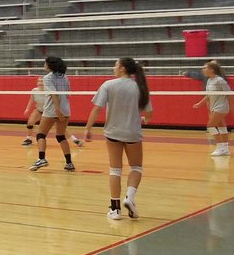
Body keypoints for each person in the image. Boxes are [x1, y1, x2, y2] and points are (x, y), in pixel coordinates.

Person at [84, 58, 152, 219]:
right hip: (132, 133)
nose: (113, 67)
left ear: (122, 68)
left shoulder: (108, 85)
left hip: (112, 133)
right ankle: (129, 197)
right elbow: (149, 115)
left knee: (115, 170)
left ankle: (115, 209)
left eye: (115, 65)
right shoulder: (140, 88)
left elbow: (96, 109)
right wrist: (143, 120)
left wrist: (88, 128)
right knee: (136, 168)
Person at [30, 56, 75, 172]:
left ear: (50, 65)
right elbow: (68, 92)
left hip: (52, 110)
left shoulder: (48, 78)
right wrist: (62, 108)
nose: (44, 65)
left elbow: (54, 94)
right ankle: (69, 163)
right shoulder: (65, 77)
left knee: (41, 135)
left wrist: (57, 109)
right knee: (61, 136)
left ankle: (42, 159)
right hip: (66, 110)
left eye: (45, 63)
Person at [194, 60, 232, 157]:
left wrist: (233, 106)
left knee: (210, 126)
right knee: (221, 127)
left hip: (221, 106)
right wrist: (200, 103)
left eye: (205, 68)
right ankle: (226, 148)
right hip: (214, 106)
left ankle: (220, 147)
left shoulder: (220, 80)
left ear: (211, 69)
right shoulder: (209, 80)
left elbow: (229, 93)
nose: (203, 70)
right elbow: (208, 95)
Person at [22, 82, 46, 147]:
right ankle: (29, 139)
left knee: (59, 127)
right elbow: (31, 100)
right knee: (30, 122)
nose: (40, 83)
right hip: (38, 110)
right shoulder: (34, 90)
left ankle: (74, 140)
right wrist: (27, 109)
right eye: (39, 81)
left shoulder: (49, 90)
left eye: (42, 81)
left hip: (48, 112)